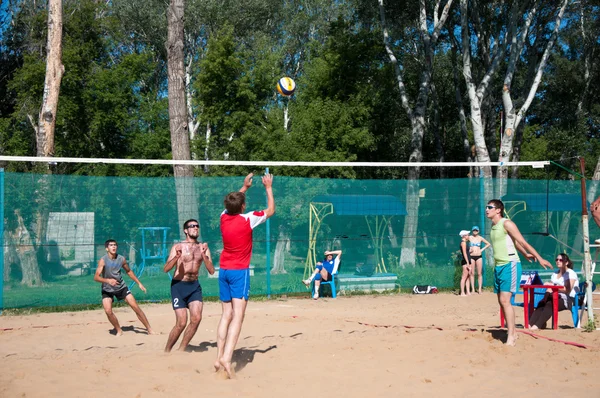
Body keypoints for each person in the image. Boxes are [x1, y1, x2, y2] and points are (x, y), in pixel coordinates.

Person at [215, 172, 275, 378]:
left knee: (226, 315)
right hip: (239, 271)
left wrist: (244, 187)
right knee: (238, 317)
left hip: (223, 270)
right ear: (242, 207)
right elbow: (271, 210)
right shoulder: (247, 219)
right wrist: (268, 187)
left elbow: (231, 203)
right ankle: (226, 357)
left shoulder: (223, 217)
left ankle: (218, 356)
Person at [486, 199, 552, 346]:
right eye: (486, 207)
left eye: (489, 207)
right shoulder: (494, 225)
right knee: (501, 301)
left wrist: (539, 258)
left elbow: (522, 242)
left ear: (498, 210)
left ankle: (511, 335)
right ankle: (513, 332)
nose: (486, 209)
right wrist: (525, 254)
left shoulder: (507, 223)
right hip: (499, 266)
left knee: (505, 300)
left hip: (510, 265)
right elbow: (513, 243)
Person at [163, 219, 215, 352]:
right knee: (181, 322)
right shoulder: (178, 246)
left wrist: (204, 255)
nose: (196, 228)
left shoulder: (202, 247)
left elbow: (211, 270)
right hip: (179, 286)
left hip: (194, 286)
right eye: (192, 226)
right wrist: (176, 257)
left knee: (196, 318)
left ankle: (181, 349)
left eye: (197, 226)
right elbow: (166, 269)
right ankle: (167, 350)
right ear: (185, 230)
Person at [93, 239, 155, 336]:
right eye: (111, 245)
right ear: (106, 248)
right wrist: (108, 281)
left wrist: (139, 283)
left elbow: (129, 271)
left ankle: (149, 329)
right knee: (108, 311)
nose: (113, 247)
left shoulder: (121, 259)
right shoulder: (103, 260)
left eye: (115, 245)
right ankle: (119, 330)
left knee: (136, 307)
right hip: (107, 289)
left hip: (121, 287)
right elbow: (96, 277)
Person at [529, 253, 579, 330]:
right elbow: (549, 289)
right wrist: (544, 298)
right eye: (557, 260)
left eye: (561, 260)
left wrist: (553, 286)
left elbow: (567, 290)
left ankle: (537, 325)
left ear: (566, 262)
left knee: (550, 303)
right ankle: (530, 324)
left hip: (569, 299)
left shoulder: (570, 273)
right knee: (541, 303)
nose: (558, 261)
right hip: (555, 296)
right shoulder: (555, 273)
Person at [469, 225, 491, 294]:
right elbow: (463, 241)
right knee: (472, 273)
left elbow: (488, 244)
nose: (475, 231)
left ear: (478, 231)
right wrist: (469, 249)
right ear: (472, 231)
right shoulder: (470, 237)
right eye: (474, 230)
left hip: (479, 256)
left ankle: (479, 289)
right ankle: (472, 289)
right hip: (472, 256)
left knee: (479, 273)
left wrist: (482, 249)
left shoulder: (480, 238)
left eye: (476, 230)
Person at [458, 230, 472, 296]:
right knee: (464, 277)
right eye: (467, 235)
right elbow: (464, 253)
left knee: (468, 276)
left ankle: (468, 292)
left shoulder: (466, 243)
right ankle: (462, 292)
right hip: (465, 261)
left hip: (468, 261)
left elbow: (467, 252)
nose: (468, 236)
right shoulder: (463, 243)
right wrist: (467, 263)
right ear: (464, 236)